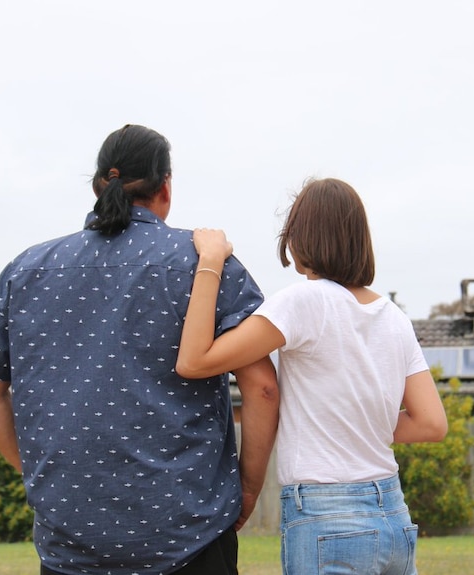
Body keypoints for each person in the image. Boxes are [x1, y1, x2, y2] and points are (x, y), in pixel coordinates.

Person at [0, 123, 279, 575]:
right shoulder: (204, 262)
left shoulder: (25, 270)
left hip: (69, 542)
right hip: (192, 533)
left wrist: (37, 476)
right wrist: (247, 489)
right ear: (165, 186)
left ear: (97, 186)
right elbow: (262, 386)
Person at [176, 177, 448, 575]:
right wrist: (359, 426)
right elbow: (431, 423)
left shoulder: (305, 301)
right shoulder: (394, 318)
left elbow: (194, 361)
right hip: (393, 515)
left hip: (328, 518)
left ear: (301, 238)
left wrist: (210, 261)